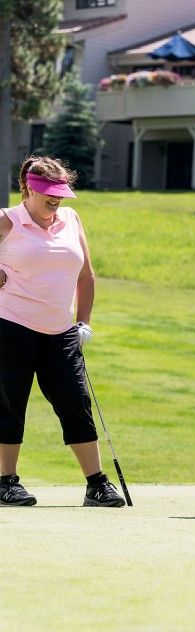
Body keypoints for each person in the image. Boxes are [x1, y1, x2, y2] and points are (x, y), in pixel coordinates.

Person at [0, 155, 125, 507]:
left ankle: (96, 484)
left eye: (60, 193)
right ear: (28, 189)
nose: (56, 200)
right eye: (49, 194)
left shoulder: (70, 218)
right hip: (11, 326)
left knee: (76, 402)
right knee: (10, 403)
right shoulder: (7, 221)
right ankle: (6, 482)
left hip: (61, 331)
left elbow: (86, 276)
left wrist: (83, 322)